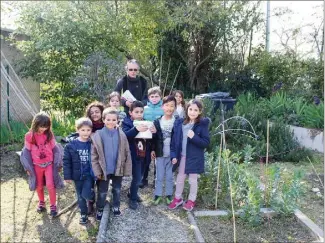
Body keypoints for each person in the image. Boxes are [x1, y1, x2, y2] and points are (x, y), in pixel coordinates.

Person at [168, 99, 210, 211]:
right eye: (190, 109)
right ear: (187, 110)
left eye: (195, 110)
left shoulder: (202, 125)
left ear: (200, 112)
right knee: (180, 178)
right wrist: (174, 156)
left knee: (192, 180)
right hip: (182, 156)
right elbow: (174, 142)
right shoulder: (181, 123)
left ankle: (191, 200)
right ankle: (178, 198)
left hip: (194, 158)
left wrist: (194, 137)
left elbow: (206, 143)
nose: (192, 112)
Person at [91, 108, 132, 219]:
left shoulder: (121, 134)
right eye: (108, 119)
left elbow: (127, 151)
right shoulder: (98, 135)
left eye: (114, 119)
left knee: (117, 189)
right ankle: (100, 208)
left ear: (117, 121)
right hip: (104, 170)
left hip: (117, 168)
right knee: (102, 191)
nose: (111, 122)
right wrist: (97, 170)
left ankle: (116, 206)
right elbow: (94, 156)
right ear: (103, 120)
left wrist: (127, 169)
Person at [23, 112, 59, 217]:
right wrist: (27, 167)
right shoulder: (29, 136)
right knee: (39, 186)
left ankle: (53, 205)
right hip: (36, 165)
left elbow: (55, 148)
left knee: (50, 185)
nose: (43, 129)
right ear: (35, 124)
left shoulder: (49, 134)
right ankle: (41, 202)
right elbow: (26, 152)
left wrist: (58, 163)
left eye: (46, 126)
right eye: (41, 126)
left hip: (49, 164)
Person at [122, 101, 156, 210]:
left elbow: (151, 139)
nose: (139, 114)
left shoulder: (146, 122)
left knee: (140, 176)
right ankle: (132, 198)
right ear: (130, 112)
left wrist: (154, 132)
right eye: (136, 112)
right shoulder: (127, 122)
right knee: (137, 177)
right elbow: (125, 136)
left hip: (144, 154)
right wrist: (136, 129)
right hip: (134, 155)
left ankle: (133, 192)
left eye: (141, 112)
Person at [63, 117, 96, 225]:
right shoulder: (71, 145)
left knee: (85, 195)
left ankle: (91, 195)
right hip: (77, 175)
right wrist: (67, 176)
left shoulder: (93, 144)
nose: (86, 132)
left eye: (88, 130)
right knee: (80, 197)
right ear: (77, 130)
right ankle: (83, 214)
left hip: (89, 175)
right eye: (83, 130)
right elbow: (66, 161)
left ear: (91, 131)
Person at [151, 95, 178, 205]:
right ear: (162, 106)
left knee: (170, 177)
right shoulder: (157, 122)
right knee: (159, 176)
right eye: (167, 105)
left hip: (171, 155)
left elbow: (178, 140)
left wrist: (176, 154)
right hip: (160, 153)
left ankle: (168, 195)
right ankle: (157, 195)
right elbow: (154, 138)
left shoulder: (177, 122)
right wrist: (152, 150)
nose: (169, 108)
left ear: (175, 108)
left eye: (172, 106)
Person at [141, 86, 164, 188]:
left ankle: (156, 180)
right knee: (146, 158)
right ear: (149, 98)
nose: (154, 98)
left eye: (156, 96)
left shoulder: (163, 108)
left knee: (158, 160)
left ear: (160, 97)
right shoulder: (144, 109)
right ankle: (144, 179)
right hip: (147, 137)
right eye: (152, 96)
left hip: (159, 137)